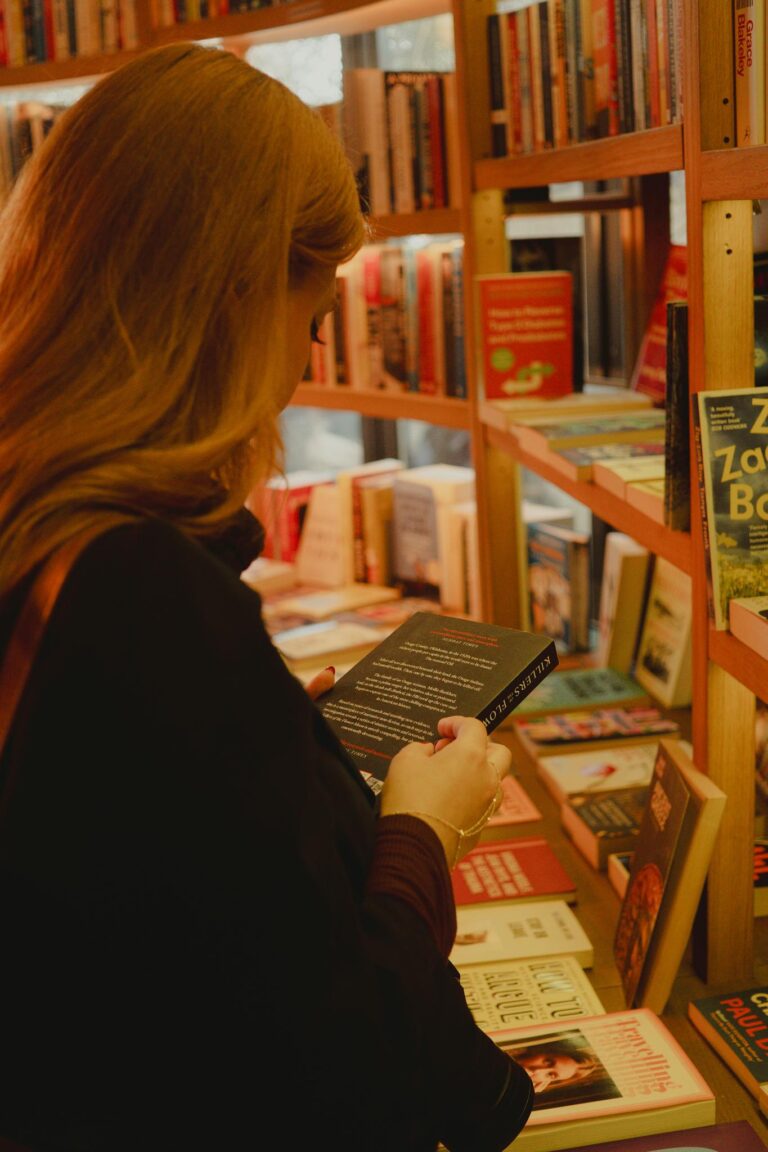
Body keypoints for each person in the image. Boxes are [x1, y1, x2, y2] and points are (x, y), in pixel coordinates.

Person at [0, 43, 534, 1152]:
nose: (310, 353)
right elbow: (342, 1064)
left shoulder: (40, 516)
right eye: (313, 305)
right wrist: (423, 833)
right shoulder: (141, 592)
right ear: (234, 292)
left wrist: (270, 742)